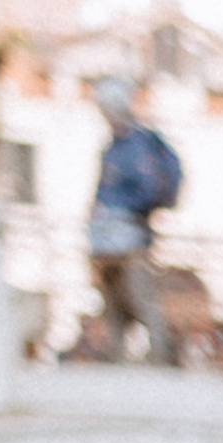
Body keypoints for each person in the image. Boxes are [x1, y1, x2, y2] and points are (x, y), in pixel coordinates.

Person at [83, 77, 186, 363]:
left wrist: (122, 209)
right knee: (112, 300)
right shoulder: (113, 146)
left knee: (141, 297)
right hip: (103, 237)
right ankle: (117, 355)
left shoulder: (138, 144)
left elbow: (147, 189)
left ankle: (159, 354)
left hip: (131, 236)